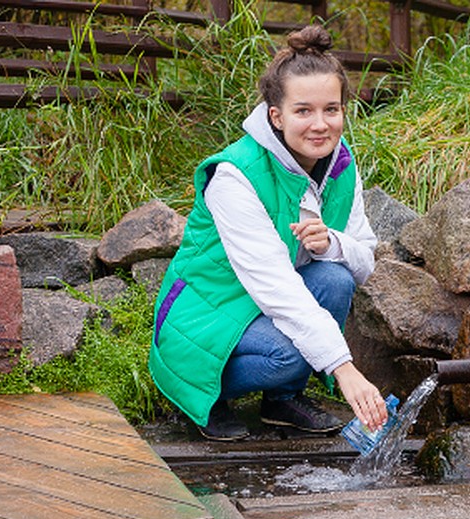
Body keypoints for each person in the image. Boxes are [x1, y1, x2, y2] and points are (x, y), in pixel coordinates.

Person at [149, 25, 388, 441]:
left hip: (261, 310)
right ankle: (198, 396)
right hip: (208, 315)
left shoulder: (342, 166)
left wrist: (332, 243)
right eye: (303, 111)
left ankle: (283, 401)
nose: (320, 125)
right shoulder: (235, 176)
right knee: (289, 353)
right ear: (276, 116)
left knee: (335, 277)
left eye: (331, 109)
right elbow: (275, 285)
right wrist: (344, 369)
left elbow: (366, 260)